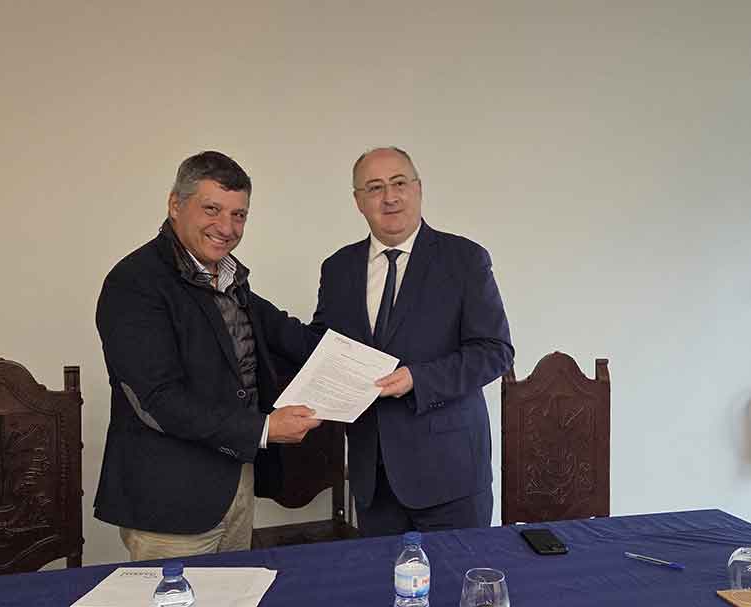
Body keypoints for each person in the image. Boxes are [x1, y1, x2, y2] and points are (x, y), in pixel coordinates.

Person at [95, 151, 320, 560]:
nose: (227, 228)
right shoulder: (134, 284)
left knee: (234, 599)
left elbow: (297, 340)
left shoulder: (232, 281)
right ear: (175, 205)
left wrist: (379, 362)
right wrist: (264, 429)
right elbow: (158, 401)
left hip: (237, 485)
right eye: (212, 209)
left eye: (239, 215)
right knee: (174, 605)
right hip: (170, 502)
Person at [311, 147, 514, 536]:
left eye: (399, 183)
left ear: (418, 189)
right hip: (374, 480)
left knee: (458, 575)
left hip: (451, 476)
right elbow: (324, 346)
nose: (390, 197)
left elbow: (495, 352)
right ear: (358, 201)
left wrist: (417, 379)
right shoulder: (337, 268)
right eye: (375, 187)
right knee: (381, 576)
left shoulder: (465, 259)